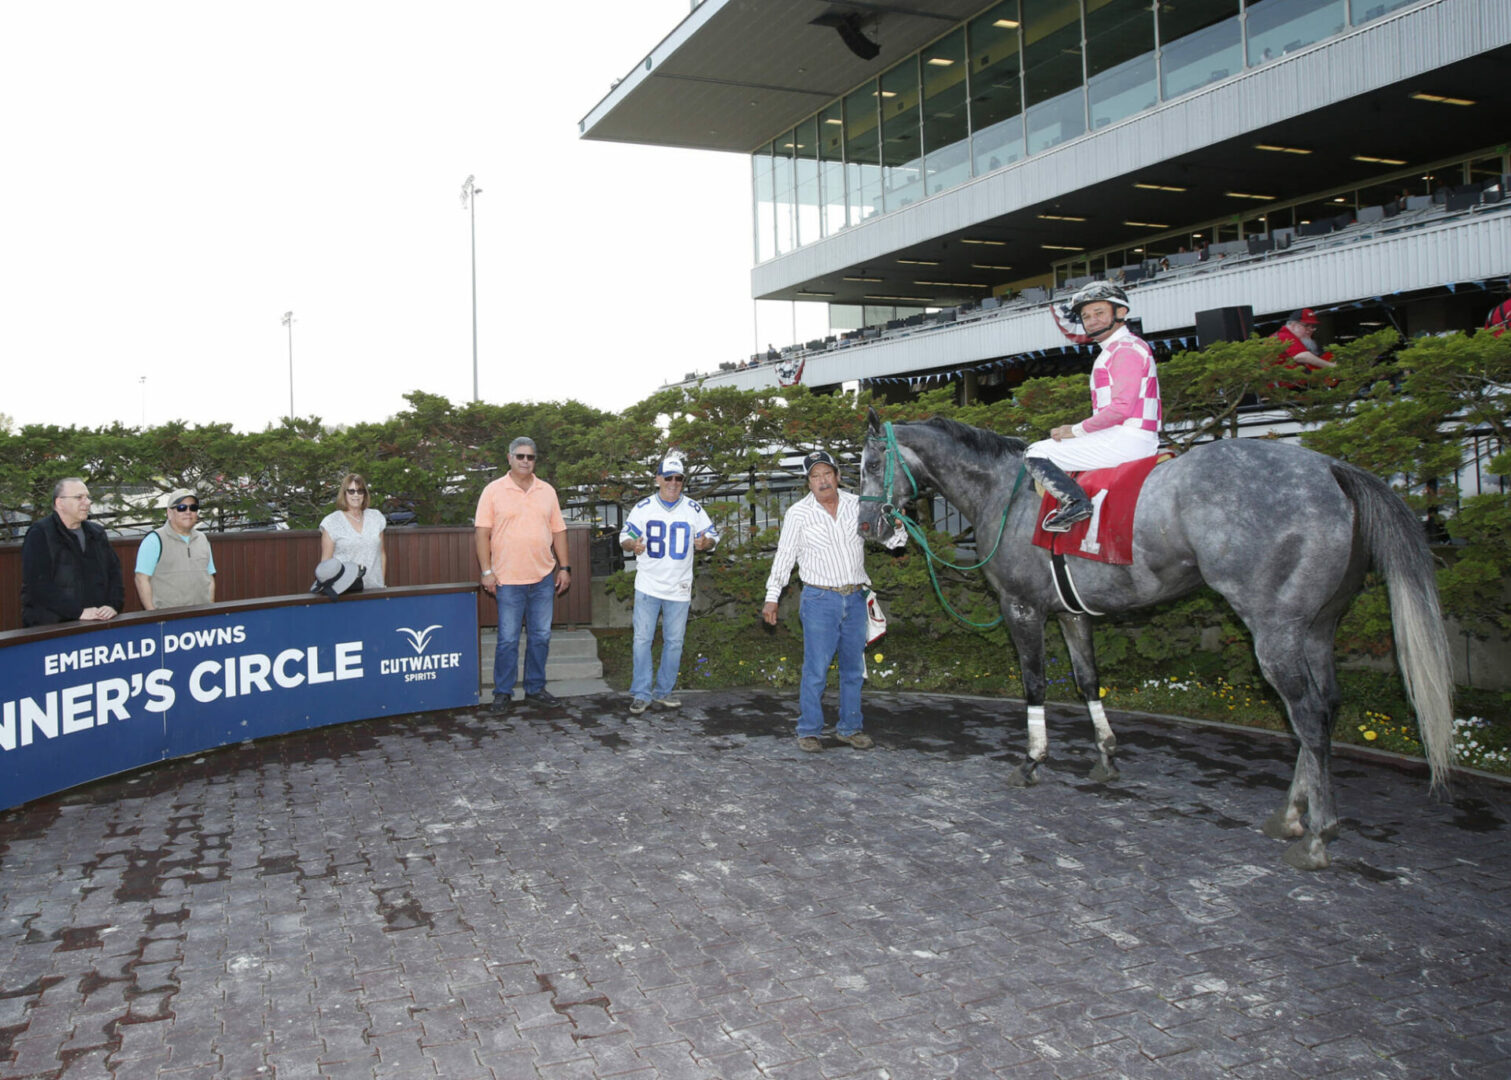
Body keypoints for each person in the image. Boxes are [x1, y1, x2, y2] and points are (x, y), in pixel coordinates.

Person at [762, 450, 872, 752]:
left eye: (827, 474)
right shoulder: (798, 513)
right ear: (808, 482)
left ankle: (850, 728)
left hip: (856, 597)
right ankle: (809, 729)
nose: (823, 481)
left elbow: (884, 536)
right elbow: (784, 558)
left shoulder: (858, 504)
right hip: (819, 599)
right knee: (816, 669)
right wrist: (772, 598)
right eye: (815, 476)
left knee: (853, 669)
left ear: (837, 476)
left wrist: (898, 529)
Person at [1029, 282, 1162, 531]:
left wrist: (1075, 430)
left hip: (1127, 438)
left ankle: (1076, 504)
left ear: (1120, 312)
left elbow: (1121, 408)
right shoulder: (1116, 348)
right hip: (1123, 435)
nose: (1092, 321)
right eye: (1086, 316)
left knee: (1035, 452)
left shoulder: (1124, 349)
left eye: (1099, 313)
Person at [475, 436, 570, 711]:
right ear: (509, 458)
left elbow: (559, 531)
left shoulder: (547, 491)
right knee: (507, 640)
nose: (525, 461)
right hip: (507, 580)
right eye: (520, 456)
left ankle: (535, 688)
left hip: (543, 578)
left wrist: (565, 568)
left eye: (530, 457)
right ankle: (502, 693)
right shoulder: (493, 491)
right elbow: (481, 533)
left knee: (541, 637)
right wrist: (487, 571)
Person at [621, 454, 718, 715]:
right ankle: (641, 693)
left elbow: (712, 535)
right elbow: (625, 536)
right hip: (648, 585)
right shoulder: (643, 508)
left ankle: (664, 690)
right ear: (658, 479)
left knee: (674, 641)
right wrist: (632, 545)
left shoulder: (693, 509)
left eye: (678, 478)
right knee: (642, 640)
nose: (673, 483)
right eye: (668, 478)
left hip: (679, 586)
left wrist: (705, 543)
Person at [21, 477, 125, 626]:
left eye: (87, 497)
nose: (87, 502)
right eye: (79, 497)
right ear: (59, 503)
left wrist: (112, 605)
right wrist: (78, 612)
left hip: (97, 623)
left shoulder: (96, 533)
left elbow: (114, 572)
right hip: (51, 627)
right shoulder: (40, 533)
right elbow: (38, 584)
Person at [135, 488, 215, 610]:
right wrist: (153, 615)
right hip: (167, 616)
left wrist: (210, 608)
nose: (188, 512)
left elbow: (210, 577)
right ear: (169, 512)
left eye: (193, 508)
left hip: (202, 615)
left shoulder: (203, 539)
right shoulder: (154, 539)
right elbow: (141, 579)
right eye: (181, 508)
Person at [320, 472, 386, 588]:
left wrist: (382, 584)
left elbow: (381, 553)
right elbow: (326, 563)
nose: (356, 495)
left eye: (360, 491)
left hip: (375, 589)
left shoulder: (376, 517)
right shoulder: (331, 522)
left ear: (365, 494)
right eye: (351, 491)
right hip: (345, 591)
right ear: (344, 493)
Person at [1273, 307, 1335, 374]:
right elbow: (1301, 356)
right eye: (1306, 325)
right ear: (1293, 326)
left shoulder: (1286, 335)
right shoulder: (1284, 335)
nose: (1310, 330)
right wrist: (1331, 366)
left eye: (1312, 326)